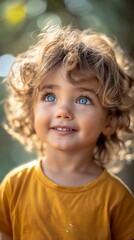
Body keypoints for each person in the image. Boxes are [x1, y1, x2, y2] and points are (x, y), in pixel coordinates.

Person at [0, 25, 134, 240]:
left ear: (109, 119)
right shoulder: (14, 186)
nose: (63, 111)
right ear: (31, 111)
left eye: (83, 99)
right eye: (50, 96)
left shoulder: (116, 199)